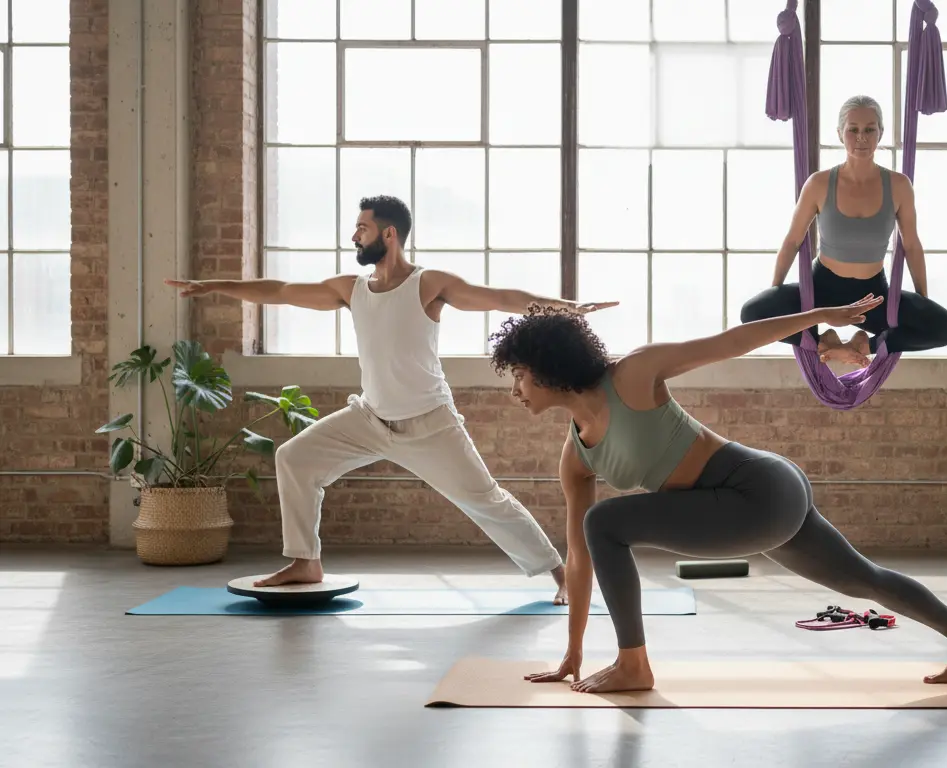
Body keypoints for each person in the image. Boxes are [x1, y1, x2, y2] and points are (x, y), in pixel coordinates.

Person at [489, 298, 947, 694]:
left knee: (605, 522)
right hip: (751, 504)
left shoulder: (634, 374)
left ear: (548, 367)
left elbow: (731, 342)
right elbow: (579, 559)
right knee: (860, 579)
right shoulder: (577, 457)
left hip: (757, 490)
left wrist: (820, 316)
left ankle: (632, 664)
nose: (515, 389)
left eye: (519, 374)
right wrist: (572, 652)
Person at [165, 195, 617, 602]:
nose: (354, 236)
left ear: (389, 233)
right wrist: (213, 286)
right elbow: (280, 291)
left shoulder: (428, 284)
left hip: (429, 423)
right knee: (294, 458)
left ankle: (561, 575)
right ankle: (306, 562)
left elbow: (499, 297)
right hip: (370, 418)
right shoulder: (351, 288)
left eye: (361, 228)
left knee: (487, 501)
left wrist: (568, 308)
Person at [740, 94, 947, 366]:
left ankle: (866, 344)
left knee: (946, 328)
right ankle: (824, 342)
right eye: (853, 130)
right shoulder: (819, 183)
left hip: (872, 297)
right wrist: (776, 293)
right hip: (820, 291)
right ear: (840, 134)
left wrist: (923, 301)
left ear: (881, 133)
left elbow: (912, 245)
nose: (862, 138)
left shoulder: (899, 185)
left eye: (869, 129)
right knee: (752, 313)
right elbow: (793, 240)